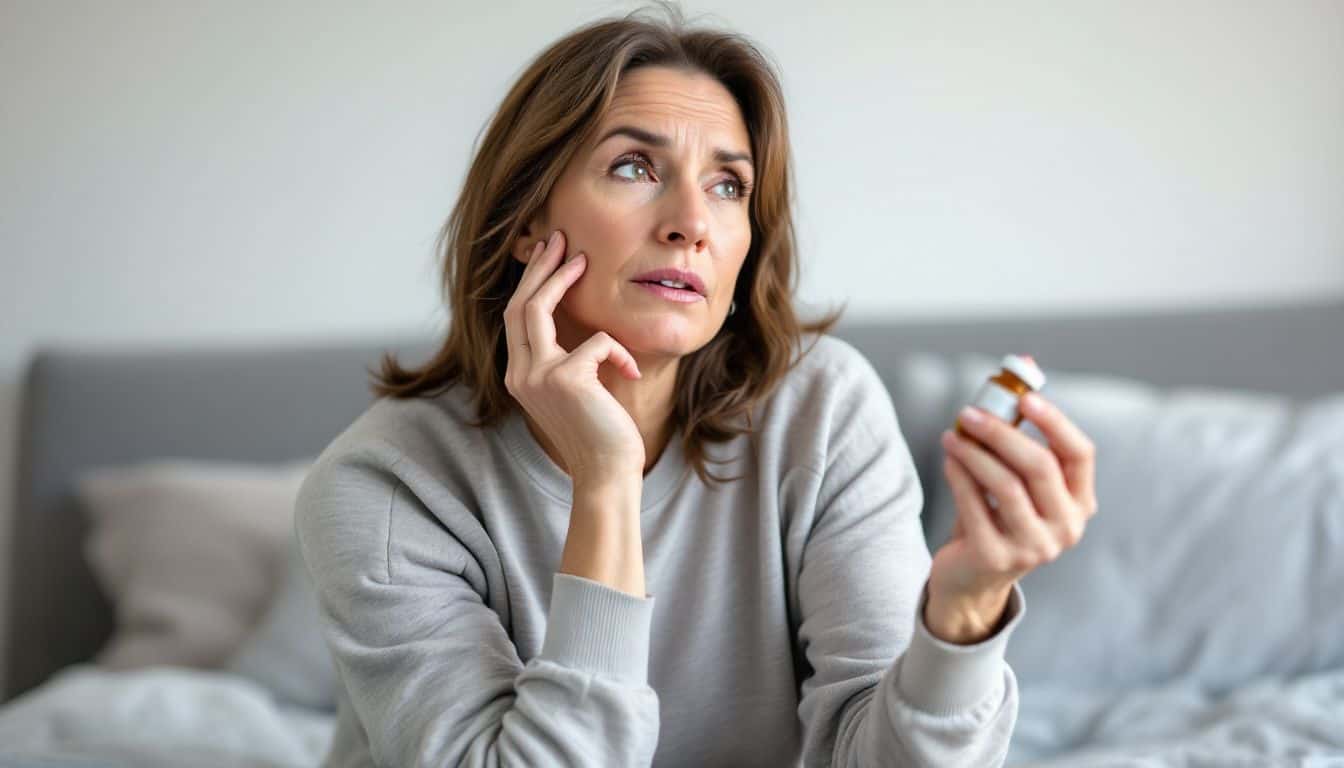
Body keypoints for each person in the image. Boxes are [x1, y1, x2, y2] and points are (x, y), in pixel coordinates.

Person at [295, 4, 1099, 766]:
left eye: (728, 185)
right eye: (635, 166)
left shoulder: (820, 411)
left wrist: (963, 611)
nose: (692, 222)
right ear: (527, 219)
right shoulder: (384, 487)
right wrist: (605, 487)